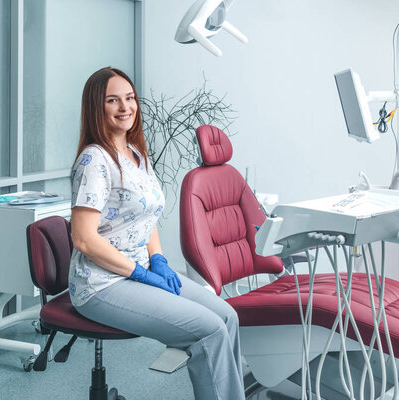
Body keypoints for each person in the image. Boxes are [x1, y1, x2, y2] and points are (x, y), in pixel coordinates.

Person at [69, 67, 245, 400]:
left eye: (130, 98)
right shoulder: (95, 160)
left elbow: (147, 216)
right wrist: (138, 272)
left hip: (141, 270)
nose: (125, 107)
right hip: (102, 284)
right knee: (209, 332)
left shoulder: (136, 155)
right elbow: (83, 239)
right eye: (113, 100)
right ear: (97, 107)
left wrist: (158, 259)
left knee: (228, 316)